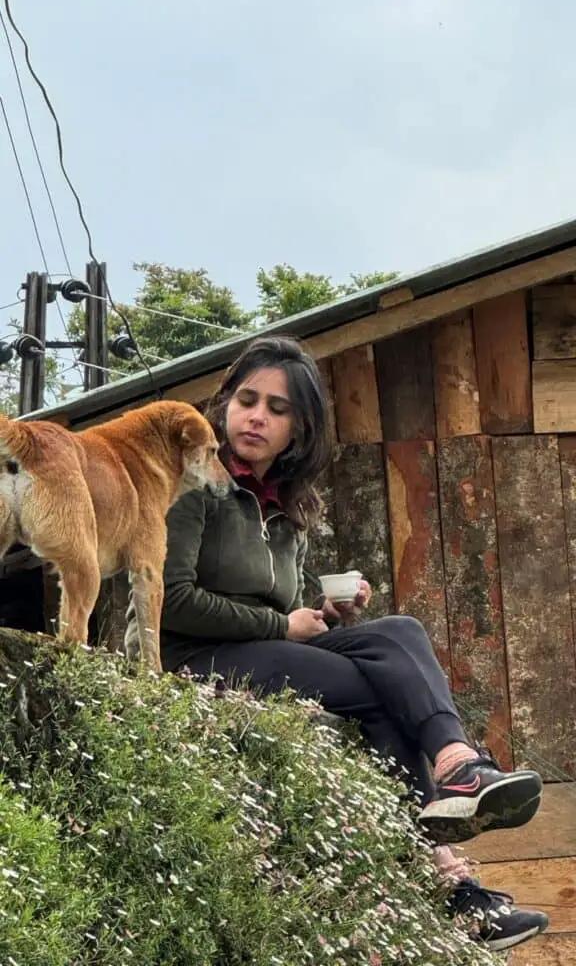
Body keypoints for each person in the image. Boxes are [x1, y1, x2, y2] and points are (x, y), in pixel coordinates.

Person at [128, 335, 549, 953]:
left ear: (298, 430)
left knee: (399, 632)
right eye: (247, 400)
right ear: (224, 407)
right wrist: (282, 627)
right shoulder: (192, 485)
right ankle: (451, 873)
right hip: (190, 658)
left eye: (276, 409)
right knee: (379, 688)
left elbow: (282, 606)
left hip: (261, 652)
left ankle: (458, 769)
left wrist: (324, 612)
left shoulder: (286, 506)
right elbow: (170, 600)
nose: (256, 417)